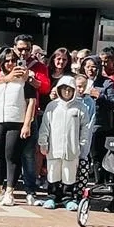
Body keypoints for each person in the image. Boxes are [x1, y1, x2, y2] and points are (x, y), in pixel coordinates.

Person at [0, 49, 38, 208]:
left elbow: (31, 102)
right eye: (6, 60)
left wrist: (27, 124)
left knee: (11, 157)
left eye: (13, 60)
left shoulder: (25, 79)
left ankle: (9, 192)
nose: (10, 63)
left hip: (16, 121)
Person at [39, 80, 91, 210]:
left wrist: (82, 144)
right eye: (64, 89)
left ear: (74, 91)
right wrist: (43, 142)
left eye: (69, 89)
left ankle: (68, 198)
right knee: (53, 173)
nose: (67, 92)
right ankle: (52, 197)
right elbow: (45, 125)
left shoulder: (80, 107)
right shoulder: (52, 106)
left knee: (69, 174)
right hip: (53, 148)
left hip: (72, 149)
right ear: (59, 90)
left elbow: (85, 128)